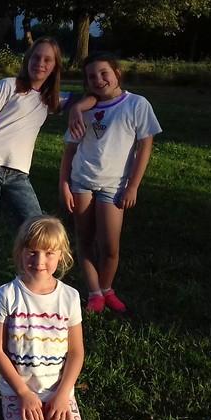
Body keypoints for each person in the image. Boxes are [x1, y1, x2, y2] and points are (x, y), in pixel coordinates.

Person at [0, 38, 90, 301]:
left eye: (47, 60)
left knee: (37, 225)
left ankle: (38, 279)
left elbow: (90, 98)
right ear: (27, 60)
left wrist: (78, 108)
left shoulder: (50, 99)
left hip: (18, 174)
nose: (40, 63)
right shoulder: (9, 86)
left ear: (55, 67)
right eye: (36, 57)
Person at [60, 53, 161, 313]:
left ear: (117, 73)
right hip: (81, 182)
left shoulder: (137, 104)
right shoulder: (83, 109)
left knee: (110, 247)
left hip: (115, 186)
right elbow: (70, 151)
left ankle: (107, 288)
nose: (99, 79)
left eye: (104, 73)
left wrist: (133, 186)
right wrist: (64, 184)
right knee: (84, 240)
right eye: (91, 76)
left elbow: (145, 147)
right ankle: (94, 292)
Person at [0, 216, 85, 420]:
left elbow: (76, 352)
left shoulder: (70, 297)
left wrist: (63, 394)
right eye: (32, 251)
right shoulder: (6, 294)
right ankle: (13, 408)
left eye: (49, 253)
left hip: (57, 390)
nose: (39, 261)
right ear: (20, 252)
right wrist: (23, 393)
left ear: (61, 255)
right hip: (18, 390)